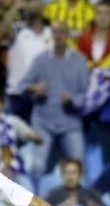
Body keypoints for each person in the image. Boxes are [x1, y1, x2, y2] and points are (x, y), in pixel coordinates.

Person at [23, 21, 89, 192]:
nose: (59, 35)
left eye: (63, 31)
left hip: (70, 121)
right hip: (43, 120)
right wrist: (35, 88)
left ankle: (80, 204)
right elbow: (24, 86)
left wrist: (73, 99)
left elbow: (87, 94)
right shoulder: (40, 59)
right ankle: (34, 204)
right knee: (36, 166)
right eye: (56, 32)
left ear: (68, 35)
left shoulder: (80, 60)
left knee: (80, 165)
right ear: (51, 35)